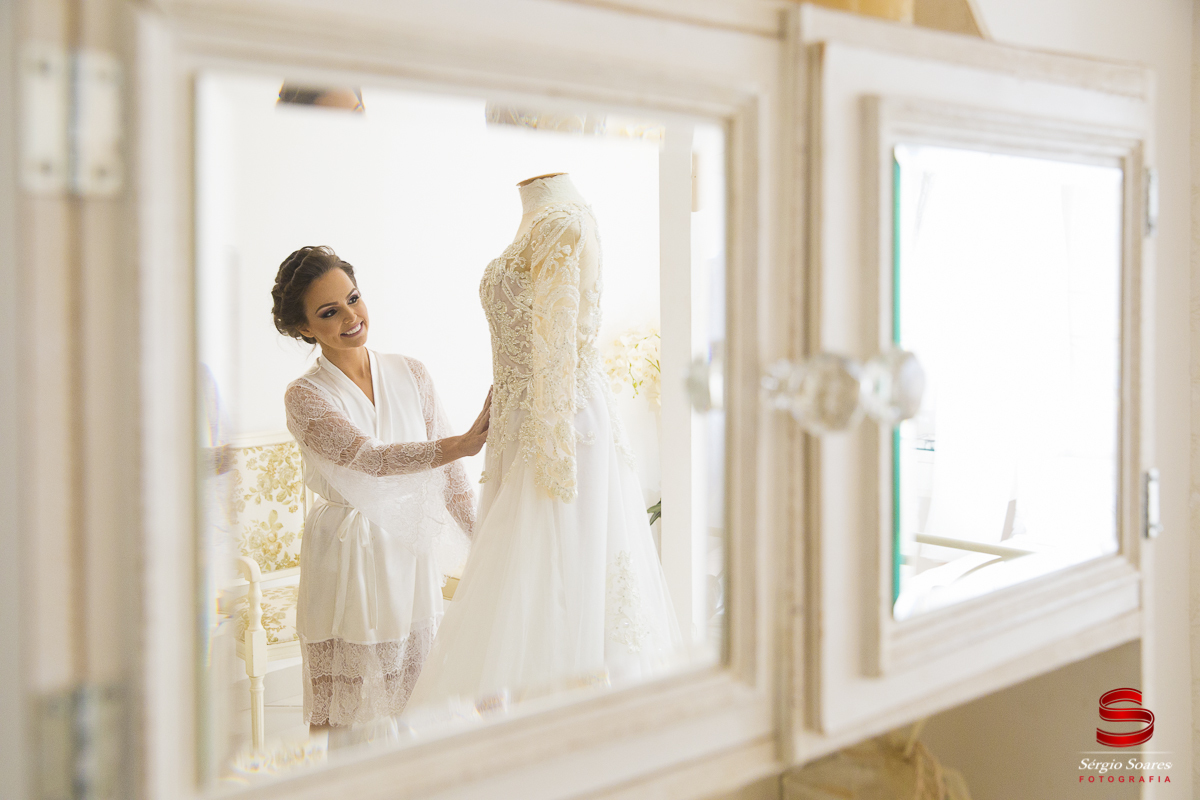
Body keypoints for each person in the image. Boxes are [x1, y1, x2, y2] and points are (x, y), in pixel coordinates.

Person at [407, 174, 681, 712]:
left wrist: (550, 459)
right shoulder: (535, 216)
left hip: (558, 427)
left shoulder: (562, 220)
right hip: (520, 424)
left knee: (564, 567)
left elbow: (556, 349)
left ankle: (569, 726)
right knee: (530, 583)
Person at [271, 246, 489, 731]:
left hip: (407, 547)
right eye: (329, 312)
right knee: (347, 708)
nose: (351, 317)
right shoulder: (305, 396)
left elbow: (450, 480)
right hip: (346, 555)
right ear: (305, 327)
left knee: (418, 690)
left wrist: (483, 539)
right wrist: (459, 445)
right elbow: (369, 459)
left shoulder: (411, 372)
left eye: (353, 298)